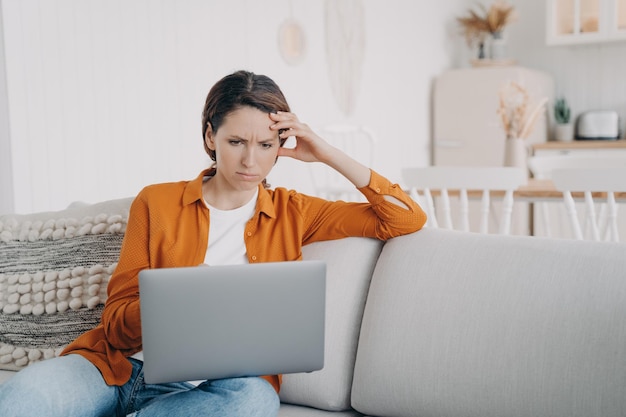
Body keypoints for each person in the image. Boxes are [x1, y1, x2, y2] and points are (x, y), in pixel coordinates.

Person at [0, 70, 426, 417]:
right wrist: (175, 302)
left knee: (255, 401)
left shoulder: (295, 212)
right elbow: (115, 324)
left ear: (282, 145)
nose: (250, 161)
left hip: (218, 392)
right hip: (114, 369)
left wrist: (329, 153)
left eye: (266, 145)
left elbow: (405, 217)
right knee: (23, 399)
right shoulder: (158, 202)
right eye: (235, 142)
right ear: (210, 138)